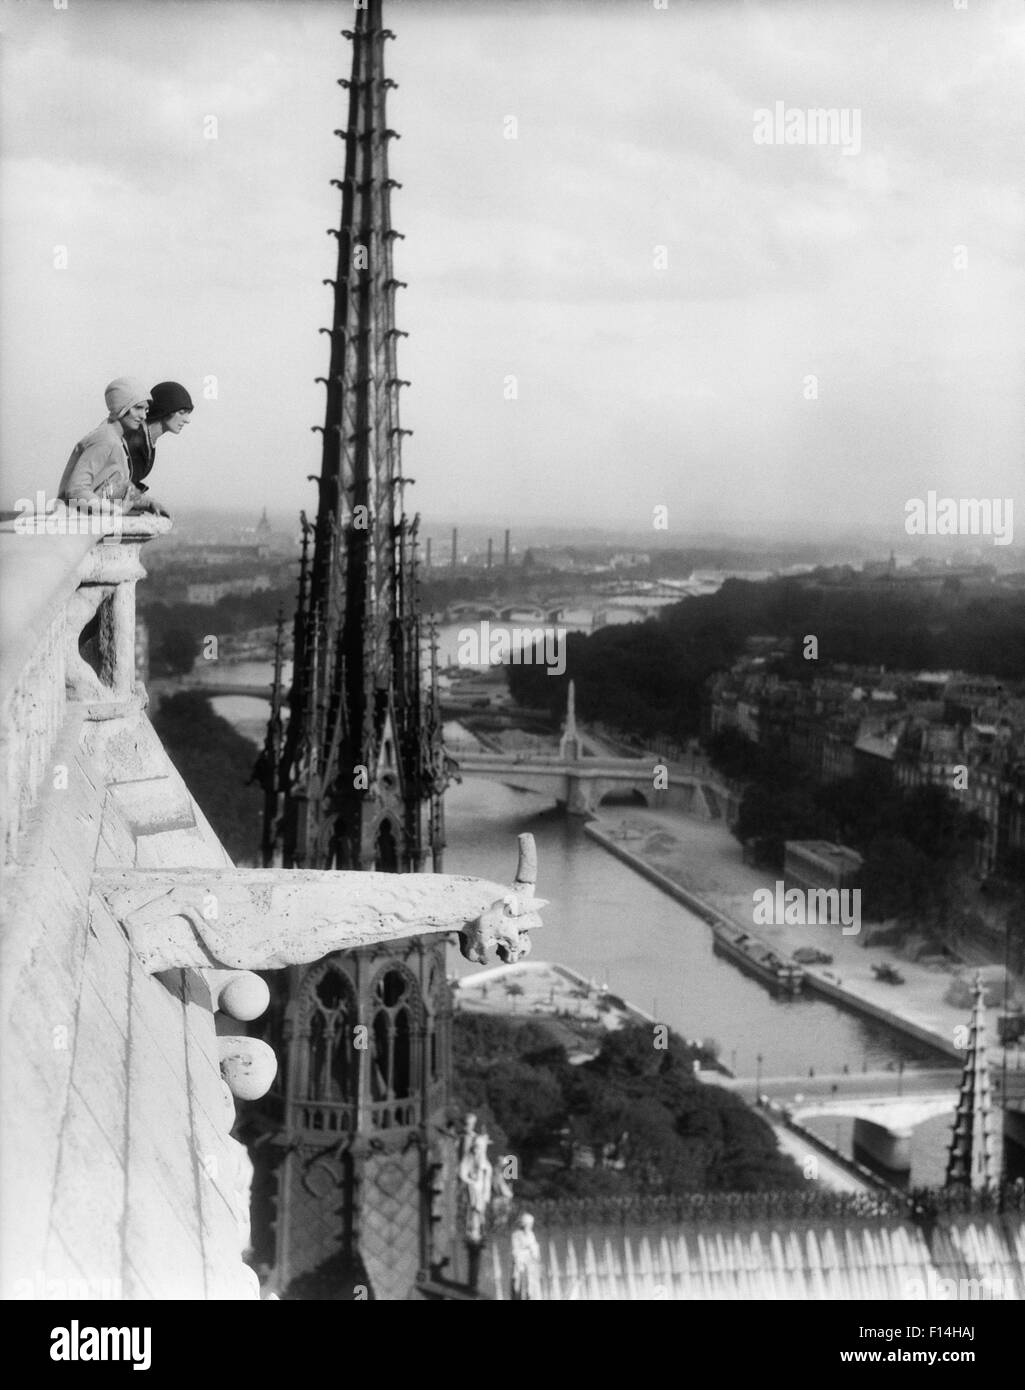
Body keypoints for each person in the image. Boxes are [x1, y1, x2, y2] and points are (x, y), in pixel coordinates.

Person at [58, 378, 165, 514]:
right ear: (121, 407)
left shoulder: (117, 438)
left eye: (146, 410)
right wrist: (116, 511)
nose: (144, 416)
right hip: (76, 524)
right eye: (138, 408)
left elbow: (118, 485)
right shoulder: (105, 439)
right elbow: (76, 490)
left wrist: (149, 503)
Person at [128, 380, 194, 488]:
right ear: (165, 410)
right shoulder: (135, 440)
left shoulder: (147, 439)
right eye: (181, 413)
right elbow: (114, 486)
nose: (187, 420)